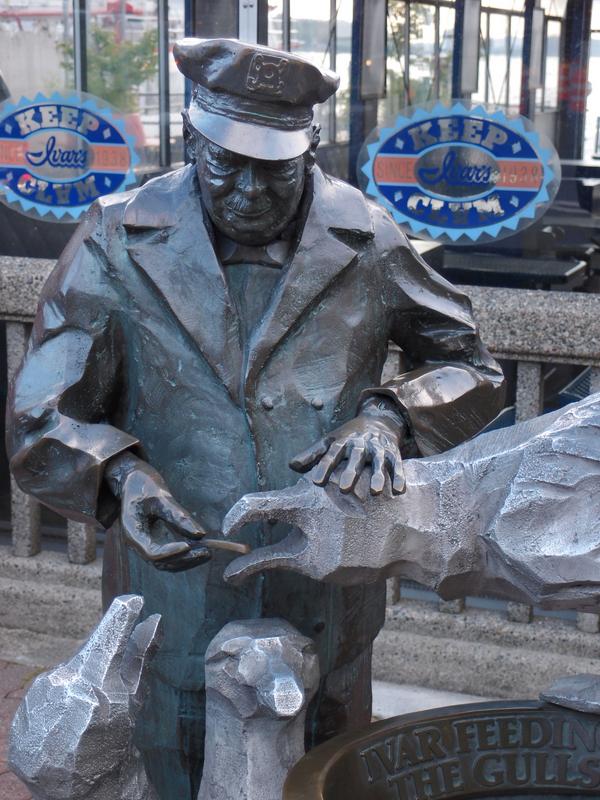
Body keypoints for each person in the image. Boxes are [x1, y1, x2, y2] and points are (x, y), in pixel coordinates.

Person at [7, 38, 505, 800]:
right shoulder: (117, 236)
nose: (247, 191)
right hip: (174, 584)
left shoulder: (365, 238)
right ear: (193, 143)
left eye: (273, 171)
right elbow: (42, 412)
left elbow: (472, 365)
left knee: (328, 770)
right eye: (225, 165)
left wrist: (388, 415)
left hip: (329, 584)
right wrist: (121, 475)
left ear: (310, 155)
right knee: (176, 757)